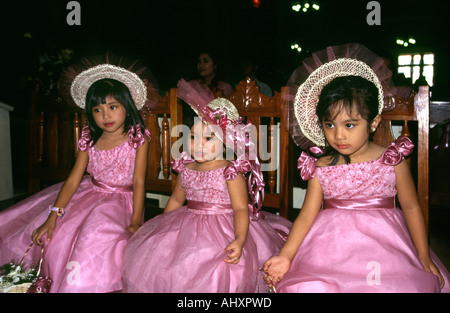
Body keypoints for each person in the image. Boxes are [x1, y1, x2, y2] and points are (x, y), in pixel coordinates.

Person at [262, 44, 450, 293]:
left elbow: (412, 206)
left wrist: (423, 256)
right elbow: (307, 215)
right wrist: (286, 255)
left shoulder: (392, 160)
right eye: (329, 125)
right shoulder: (322, 166)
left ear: (373, 122)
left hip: (385, 249)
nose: (338, 135)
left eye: (349, 125)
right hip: (329, 250)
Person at [0, 57, 154, 292]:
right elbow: (73, 180)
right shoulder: (89, 138)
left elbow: (139, 181)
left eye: (112, 107)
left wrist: (135, 222)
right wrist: (52, 216)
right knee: (56, 233)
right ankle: (43, 278)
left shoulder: (137, 137)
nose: (105, 116)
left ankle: (82, 284)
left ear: (127, 106)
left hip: (121, 202)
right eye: (97, 110)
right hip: (87, 192)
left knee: (95, 234)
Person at [122, 78, 291, 293]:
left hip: (224, 228)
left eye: (209, 138)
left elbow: (240, 208)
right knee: (174, 262)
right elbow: (176, 199)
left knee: (217, 267)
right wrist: (161, 231)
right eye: (193, 136)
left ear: (226, 142)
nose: (199, 144)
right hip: (187, 223)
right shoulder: (186, 167)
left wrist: (239, 239)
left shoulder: (230, 171)